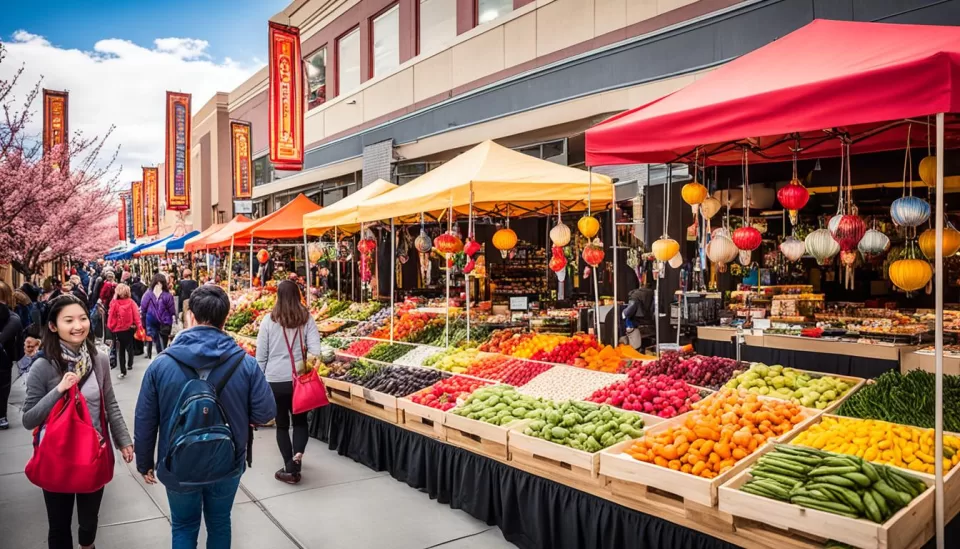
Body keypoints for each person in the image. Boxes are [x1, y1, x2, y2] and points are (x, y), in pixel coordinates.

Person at [135, 285, 276, 549]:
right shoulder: (245, 363)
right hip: (228, 460)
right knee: (220, 521)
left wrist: (145, 462)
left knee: (184, 526)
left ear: (191, 316)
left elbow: (145, 419)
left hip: (177, 465)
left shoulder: (161, 365)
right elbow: (266, 412)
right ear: (226, 318)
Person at [21, 295, 134, 549]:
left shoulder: (99, 359)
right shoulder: (43, 365)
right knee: (59, 527)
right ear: (53, 326)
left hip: (93, 453)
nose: (78, 326)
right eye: (68, 320)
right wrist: (60, 389)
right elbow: (29, 419)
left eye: (82, 318)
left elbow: (110, 404)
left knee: (89, 523)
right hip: (57, 455)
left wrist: (123, 440)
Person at [256, 280, 322, 484]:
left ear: (278, 296)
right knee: (300, 421)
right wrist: (304, 370)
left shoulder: (268, 320)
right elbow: (315, 352)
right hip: (298, 381)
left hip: (274, 380)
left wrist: (259, 383)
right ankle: (298, 455)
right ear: (298, 295)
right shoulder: (306, 319)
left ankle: (289, 466)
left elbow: (261, 356)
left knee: (282, 425)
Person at [0, 281, 24, 430]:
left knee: (3, 387)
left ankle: (2, 415)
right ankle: (2, 415)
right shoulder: (13, 317)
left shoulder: (12, 318)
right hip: (5, 359)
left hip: (4, 359)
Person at [107, 283, 142, 379]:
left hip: (118, 329)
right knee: (130, 346)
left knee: (121, 350)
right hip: (129, 328)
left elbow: (111, 313)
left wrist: (110, 327)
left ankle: (123, 371)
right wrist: (139, 326)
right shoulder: (131, 302)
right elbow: (136, 315)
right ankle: (130, 363)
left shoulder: (115, 303)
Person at [140, 274, 176, 359]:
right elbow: (172, 311)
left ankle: (161, 359)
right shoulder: (168, 295)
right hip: (165, 322)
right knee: (163, 343)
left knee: (159, 344)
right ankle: (163, 358)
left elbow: (143, 308)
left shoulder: (147, 294)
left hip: (153, 322)